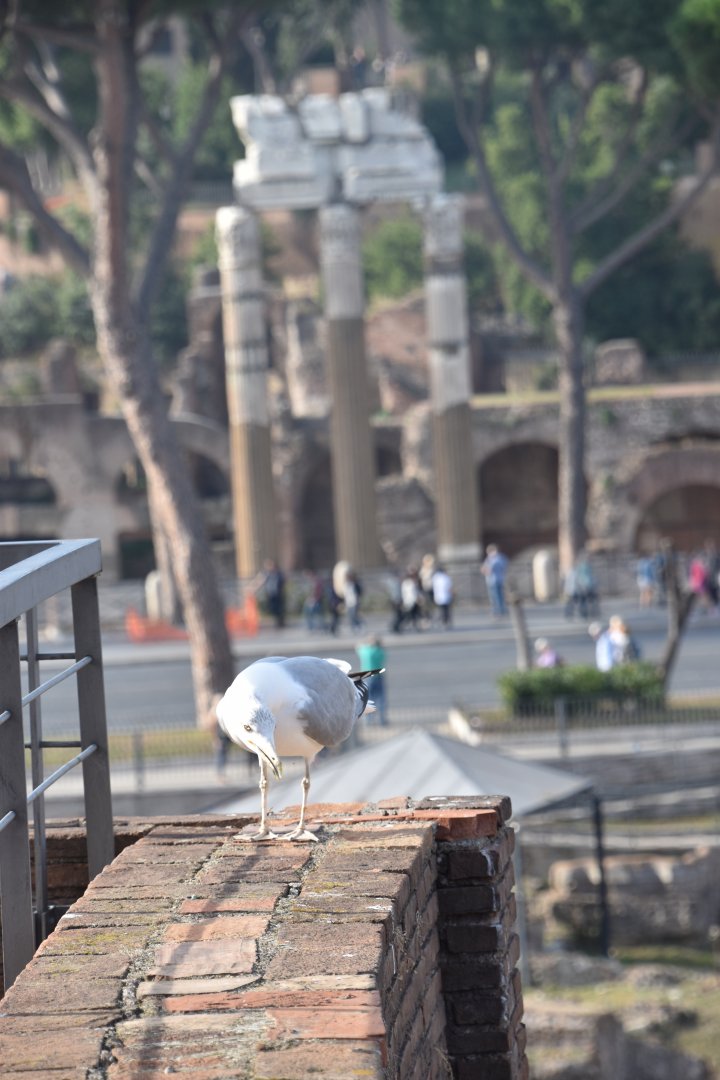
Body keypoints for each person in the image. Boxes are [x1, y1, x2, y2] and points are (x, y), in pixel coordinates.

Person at [356, 636, 387, 726]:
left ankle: (369, 720)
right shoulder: (380, 652)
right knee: (381, 698)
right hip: (379, 675)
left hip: (367, 676)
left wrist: (365, 641)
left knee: (368, 699)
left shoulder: (366, 651)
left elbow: (358, 646)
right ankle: (382, 719)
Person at [481, 543, 508, 616]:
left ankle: (500, 609)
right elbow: (484, 569)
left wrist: (488, 569)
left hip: (497, 579)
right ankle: (497, 609)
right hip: (491, 580)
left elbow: (493, 568)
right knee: (493, 596)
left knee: (498, 595)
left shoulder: (498, 558)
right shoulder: (489, 559)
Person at [257, 558, 285, 628]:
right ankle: (277, 621)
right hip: (270, 593)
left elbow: (283, 580)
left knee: (279, 609)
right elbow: (260, 581)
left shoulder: (278, 573)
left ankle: (280, 622)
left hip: (277, 593)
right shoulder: (267, 574)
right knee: (273, 608)